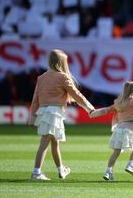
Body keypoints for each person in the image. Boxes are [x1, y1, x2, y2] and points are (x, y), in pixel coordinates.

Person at [28, 49, 95, 181]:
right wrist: (89, 108)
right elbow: (76, 94)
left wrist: (32, 115)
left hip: (44, 111)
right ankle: (36, 172)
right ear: (62, 62)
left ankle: (61, 169)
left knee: (55, 142)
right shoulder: (62, 76)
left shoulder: (41, 78)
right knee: (45, 142)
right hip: (54, 112)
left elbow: (35, 98)